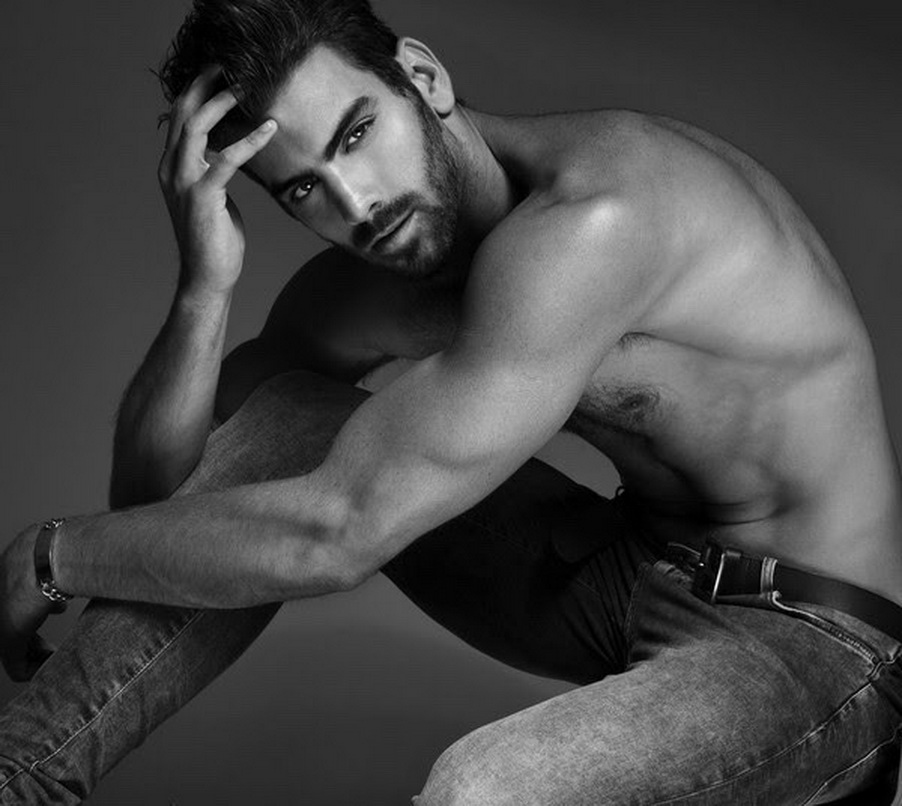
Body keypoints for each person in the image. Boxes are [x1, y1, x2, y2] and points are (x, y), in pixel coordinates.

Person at [0, 0, 900, 802]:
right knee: (282, 415)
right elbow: (167, 500)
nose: (358, 203)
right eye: (304, 188)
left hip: (810, 639)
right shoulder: (378, 278)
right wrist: (205, 284)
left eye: (357, 134)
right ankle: (23, 775)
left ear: (423, 78)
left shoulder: (598, 218)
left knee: (482, 790)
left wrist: (52, 552)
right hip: (623, 576)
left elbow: (336, 535)